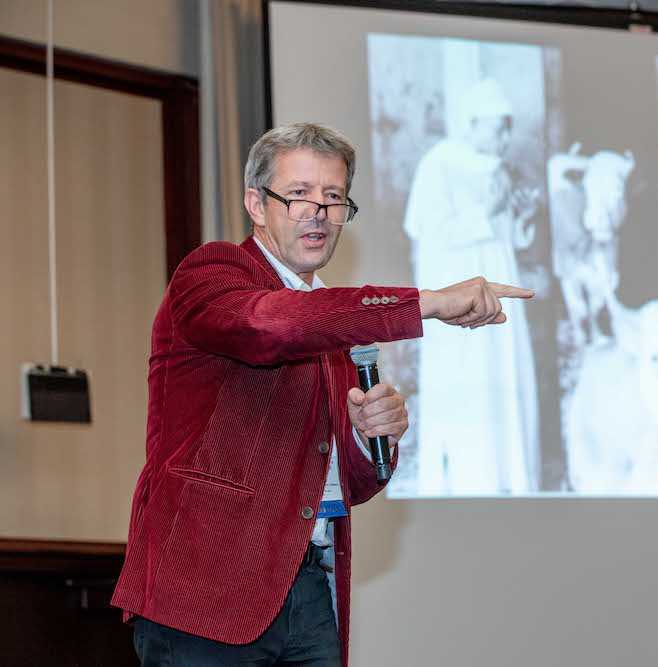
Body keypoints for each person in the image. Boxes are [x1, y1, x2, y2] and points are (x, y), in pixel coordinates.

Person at [111, 122, 532, 666]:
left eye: (333, 198)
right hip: (206, 583)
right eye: (300, 194)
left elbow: (345, 483)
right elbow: (269, 328)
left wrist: (366, 438)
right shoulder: (214, 272)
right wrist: (427, 301)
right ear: (256, 204)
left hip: (308, 585)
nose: (319, 212)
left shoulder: (334, 319)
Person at [403, 78, 540, 495]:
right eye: (496, 128)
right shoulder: (439, 163)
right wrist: (488, 211)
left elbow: (509, 236)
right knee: (469, 382)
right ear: (472, 124)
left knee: (505, 374)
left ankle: (510, 475)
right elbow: (430, 231)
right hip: (457, 299)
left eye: (506, 128)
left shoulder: (497, 168)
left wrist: (522, 215)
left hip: (497, 284)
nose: (503, 138)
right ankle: (471, 478)